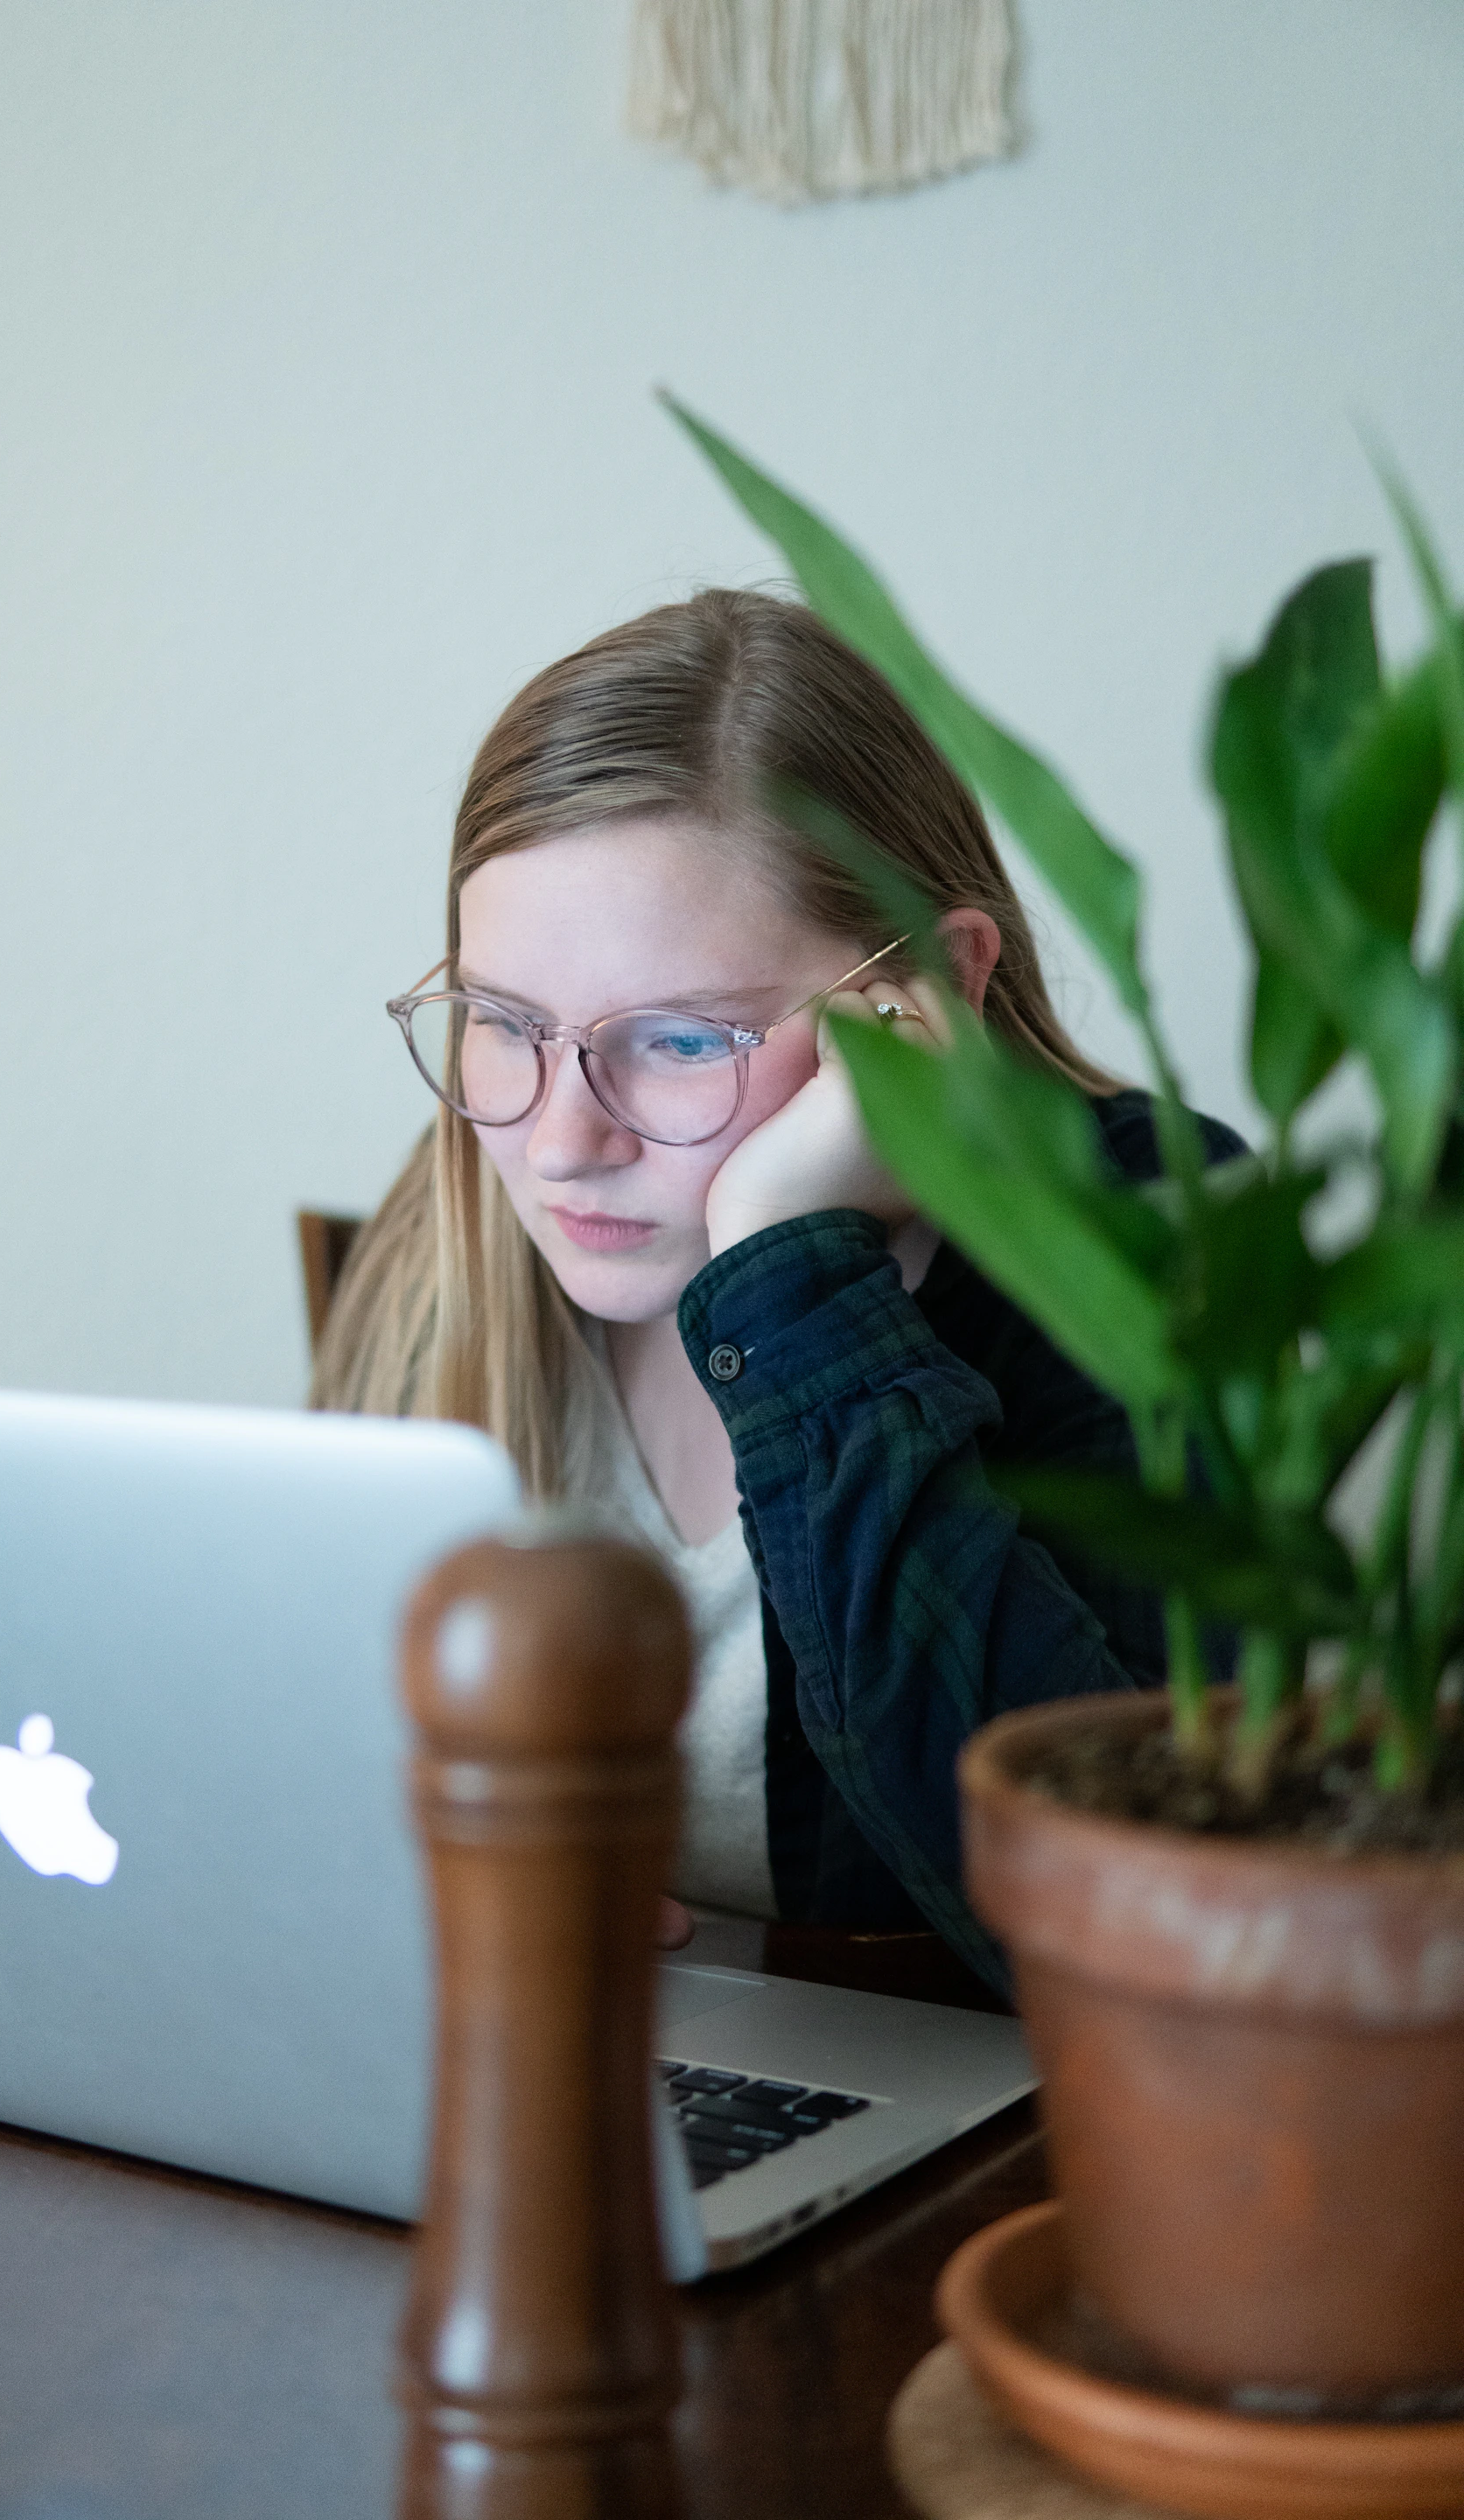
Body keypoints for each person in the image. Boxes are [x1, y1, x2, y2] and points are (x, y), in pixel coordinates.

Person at [315, 590, 1241, 1992]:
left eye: (680, 1039)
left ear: (932, 990)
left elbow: (1132, 1925)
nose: (565, 1140)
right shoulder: (460, 1225)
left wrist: (787, 1266)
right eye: (505, 1024)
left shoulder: (1151, 1260)